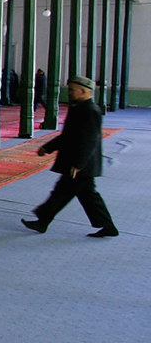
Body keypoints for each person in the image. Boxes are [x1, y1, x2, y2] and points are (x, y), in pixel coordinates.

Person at [22, 75, 117, 238]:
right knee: (84, 195)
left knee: (64, 192)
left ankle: (43, 220)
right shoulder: (80, 108)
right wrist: (48, 147)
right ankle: (107, 226)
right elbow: (68, 136)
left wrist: (79, 163)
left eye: (73, 90)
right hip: (77, 161)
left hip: (81, 163)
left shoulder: (90, 111)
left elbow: (89, 140)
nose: (70, 93)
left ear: (84, 91)